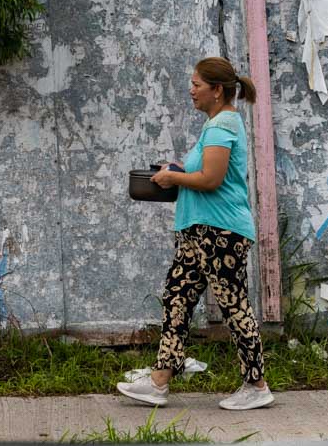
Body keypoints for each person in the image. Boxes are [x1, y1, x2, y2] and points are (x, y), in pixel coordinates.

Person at [117, 57, 274, 411]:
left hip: (221, 233)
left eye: (197, 85)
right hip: (198, 232)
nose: (191, 91)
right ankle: (160, 380)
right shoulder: (216, 125)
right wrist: (175, 169)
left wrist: (175, 178)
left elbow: (211, 179)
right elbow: (202, 171)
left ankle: (257, 384)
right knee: (177, 298)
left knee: (234, 306)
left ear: (217, 91)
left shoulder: (222, 126)